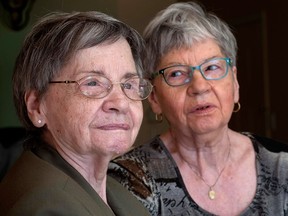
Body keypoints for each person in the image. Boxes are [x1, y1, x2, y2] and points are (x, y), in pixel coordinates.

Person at [108, 2, 288, 215]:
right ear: (154, 97)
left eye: (212, 67)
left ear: (235, 83)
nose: (199, 87)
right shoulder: (130, 179)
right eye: (176, 73)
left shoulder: (282, 166)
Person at [0, 11, 153, 216]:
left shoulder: (110, 189)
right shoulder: (45, 206)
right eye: (92, 83)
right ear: (37, 106)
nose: (121, 103)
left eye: (129, 84)